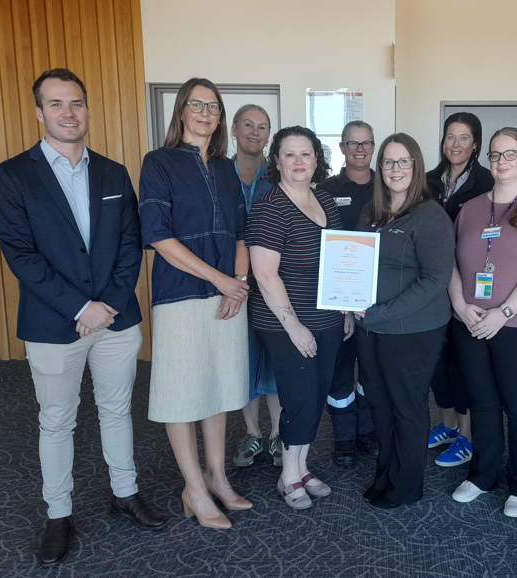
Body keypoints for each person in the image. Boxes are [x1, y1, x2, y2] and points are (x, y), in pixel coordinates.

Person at [0, 68, 166, 565]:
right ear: (39, 111)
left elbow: (131, 244)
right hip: (54, 324)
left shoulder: (113, 173)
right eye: (56, 104)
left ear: (87, 109)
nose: (68, 113)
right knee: (57, 421)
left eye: (76, 104)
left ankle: (125, 492)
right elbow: (21, 256)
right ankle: (58, 514)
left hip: (115, 319)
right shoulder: (10, 176)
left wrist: (107, 304)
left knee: (116, 410)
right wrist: (80, 307)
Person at [140, 77, 252, 530]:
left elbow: (242, 232)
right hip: (181, 294)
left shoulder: (226, 168)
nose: (205, 112)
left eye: (213, 106)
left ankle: (219, 479)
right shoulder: (159, 162)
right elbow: (158, 237)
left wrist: (239, 282)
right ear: (181, 111)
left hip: (228, 294)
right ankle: (195, 489)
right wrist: (220, 280)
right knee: (183, 394)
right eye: (196, 104)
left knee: (219, 389)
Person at [448, 128, 517, 518]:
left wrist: (504, 313)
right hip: (471, 323)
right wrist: (461, 305)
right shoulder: (471, 208)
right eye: (495, 155)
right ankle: (482, 476)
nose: (501, 162)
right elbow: (452, 264)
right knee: (482, 403)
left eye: (510, 155)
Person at [246, 126, 352, 511]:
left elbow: (340, 259)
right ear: (277, 161)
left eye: (305, 154)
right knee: (301, 398)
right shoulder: (270, 206)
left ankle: (302, 467)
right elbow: (264, 274)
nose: (298, 162)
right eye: (289, 155)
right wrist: (294, 326)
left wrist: (345, 307)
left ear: (316, 160)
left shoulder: (324, 199)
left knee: (318, 393)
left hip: (326, 318)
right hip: (285, 323)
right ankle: (288, 475)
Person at [354, 133, 455, 509]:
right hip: (370, 329)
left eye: (403, 162)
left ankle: (407, 485)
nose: (395, 169)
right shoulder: (371, 212)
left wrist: (379, 314)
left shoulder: (431, 216)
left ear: (416, 167)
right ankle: (386, 475)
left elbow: (435, 280)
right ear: (379, 169)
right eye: (388, 162)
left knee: (407, 408)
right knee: (378, 404)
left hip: (412, 332)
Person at [425, 112, 494, 467]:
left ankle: (466, 437)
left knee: (464, 365)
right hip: (430, 285)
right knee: (438, 363)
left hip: (468, 285)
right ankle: (449, 425)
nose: (455, 144)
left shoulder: (486, 181)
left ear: (476, 144)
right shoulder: (428, 181)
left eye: (464, 138)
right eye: (450, 137)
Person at [318, 120, 380, 465]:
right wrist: (341, 307)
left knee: (371, 370)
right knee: (340, 371)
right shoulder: (324, 190)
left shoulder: (387, 186)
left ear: (373, 147)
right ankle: (343, 438)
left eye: (366, 144)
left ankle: (366, 431)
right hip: (337, 301)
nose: (359, 150)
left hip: (375, 302)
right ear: (342, 148)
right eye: (352, 144)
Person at [228, 104, 283, 469]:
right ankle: (252, 433)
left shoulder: (278, 176)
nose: (254, 132)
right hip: (231, 283)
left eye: (262, 127)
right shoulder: (216, 173)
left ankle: (278, 434)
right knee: (241, 359)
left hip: (274, 283)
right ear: (234, 129)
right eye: (247, 125)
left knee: (278, 359)